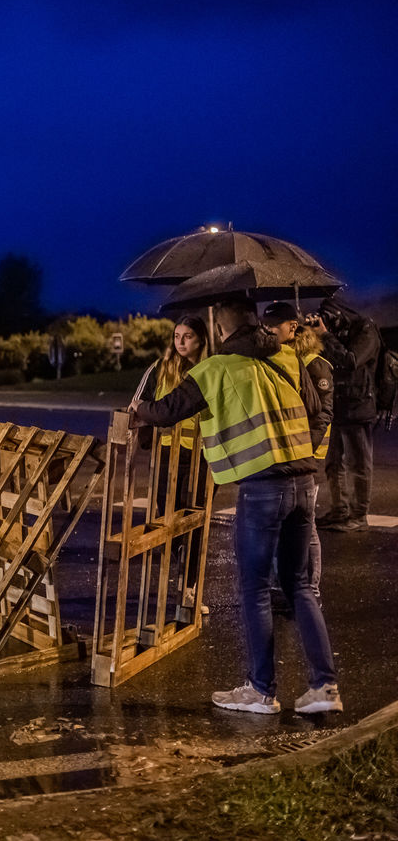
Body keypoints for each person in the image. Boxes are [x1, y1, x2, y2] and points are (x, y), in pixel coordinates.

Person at [130, 298, 340, 716]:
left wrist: (139, 409)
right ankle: (324, 688)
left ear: (221, 331)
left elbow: (168, 410)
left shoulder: (215, 369)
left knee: (255, 588)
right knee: (299, 585)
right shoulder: (287, 359)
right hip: (303, 481)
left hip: (263, 487)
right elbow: (316, 411)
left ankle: (261, 691)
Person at [262, 302, 333, 614]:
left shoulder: (314, 364)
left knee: (307, 527)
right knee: (285, 525)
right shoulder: (282, 359)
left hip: (307, 457)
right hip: (286, 455)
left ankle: (311, 591)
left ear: (291, 328)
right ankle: (286, 588)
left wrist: (304, 450)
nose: (267, 332)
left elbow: (323, 415)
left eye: (272, 327)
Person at [314, 298, 382, 533]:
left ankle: (359, 516)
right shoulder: (335, 332)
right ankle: (339, 510)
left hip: (358, 407)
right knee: (333, 463)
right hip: (336, 406)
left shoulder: (365, 330)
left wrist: (325, 335)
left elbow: (350, 360)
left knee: (359, 464)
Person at [134, 315, 209, 515]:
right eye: (176, 336)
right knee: (167, 513)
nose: (180, 342)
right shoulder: (160, 367)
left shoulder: (211, 369)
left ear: (201, 339)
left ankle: (191, 539)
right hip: (165, 452)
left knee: (194, 514)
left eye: (188, 336)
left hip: (203, 454)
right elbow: (138, 402)